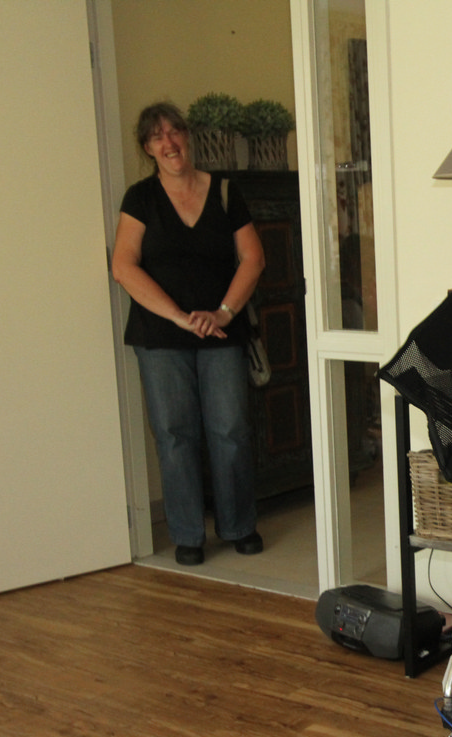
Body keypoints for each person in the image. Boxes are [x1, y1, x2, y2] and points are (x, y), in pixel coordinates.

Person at [112, 102, 266, 566]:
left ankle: (239, 525)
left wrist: (223, 313)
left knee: (231, 430)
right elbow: (123, 266)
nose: (169, 143)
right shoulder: (140, 198)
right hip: (161, 336)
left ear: (187, 136)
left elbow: (253, 258)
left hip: (221, 332)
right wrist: (179, 317)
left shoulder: (225, 191)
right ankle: (187, 534)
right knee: (174, 433)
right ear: (147, 148)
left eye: (175, 131)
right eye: (157, 136)